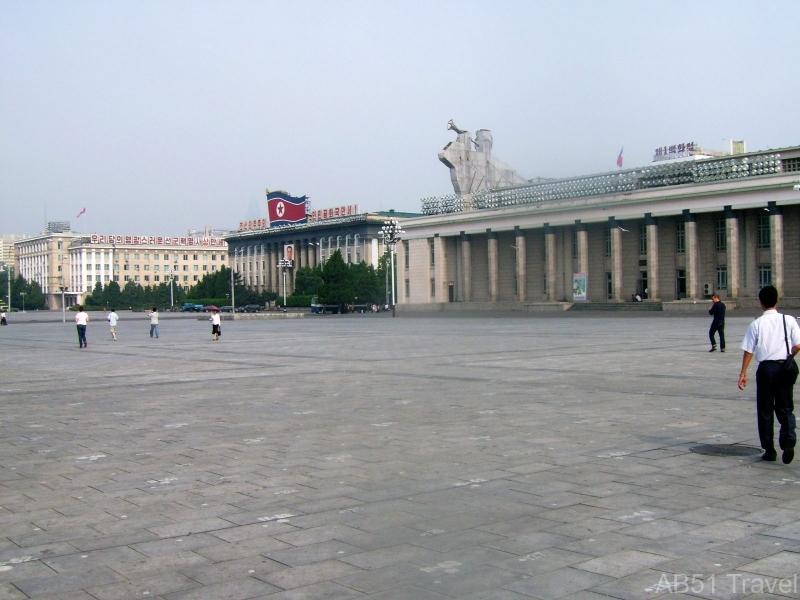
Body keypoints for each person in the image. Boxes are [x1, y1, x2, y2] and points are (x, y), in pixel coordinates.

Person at [739, 285, 800, 464]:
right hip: (784, 368)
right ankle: (788, 437)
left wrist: (743, 373)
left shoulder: (757, 323)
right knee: (785, 406)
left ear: (760, 302)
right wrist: (790, 356)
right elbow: (798, 345)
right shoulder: (788, 320)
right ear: (777, 300)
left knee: (765, 410)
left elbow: (748, 350)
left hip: (766, 369)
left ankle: (769, 449)